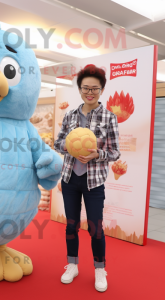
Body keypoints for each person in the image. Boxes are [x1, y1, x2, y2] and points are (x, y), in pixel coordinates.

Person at [54, 64, 121, 292]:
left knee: (96, 228)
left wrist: (97, 154)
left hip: (94, 182)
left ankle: (100, 269)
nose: (89, 92)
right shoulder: (70, 115)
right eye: (85, 88)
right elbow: (57, 142)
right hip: (70, 179)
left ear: (101, 89)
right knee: (71, 226)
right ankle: (72, 265)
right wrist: (70, 147)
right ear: (80, 89)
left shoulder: (109, 117)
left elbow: (115, 151)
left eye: (94, 88)